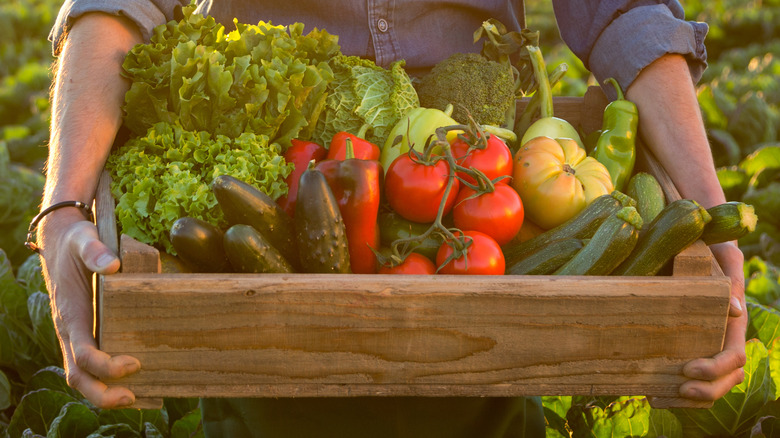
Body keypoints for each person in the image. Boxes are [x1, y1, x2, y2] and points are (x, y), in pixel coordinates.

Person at [39, 0, 746, 436]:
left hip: (480, 183)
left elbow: (627, 12)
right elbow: (115, 1)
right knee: (275, 403)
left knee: (486, 392)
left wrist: (708, 217)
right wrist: (63, 206)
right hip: (284, 188)